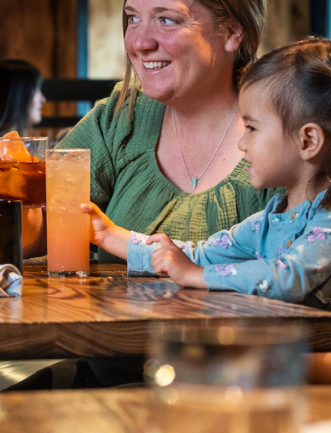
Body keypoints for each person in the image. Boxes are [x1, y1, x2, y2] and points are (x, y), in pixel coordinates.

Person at [60, 0, 271, 257]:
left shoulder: (288, 130)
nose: (140, 42)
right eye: (133, 19)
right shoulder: (121, 116)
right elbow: (44, 220)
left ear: (232, 31)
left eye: (167, 20)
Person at [82, 38, 331, 303]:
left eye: (252, 128)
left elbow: (287, 277)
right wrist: (108, 235)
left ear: (308, 141)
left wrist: (196, 276)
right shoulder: (269, 219)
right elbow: (198, 255)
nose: (241, 143)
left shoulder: (326, 224)